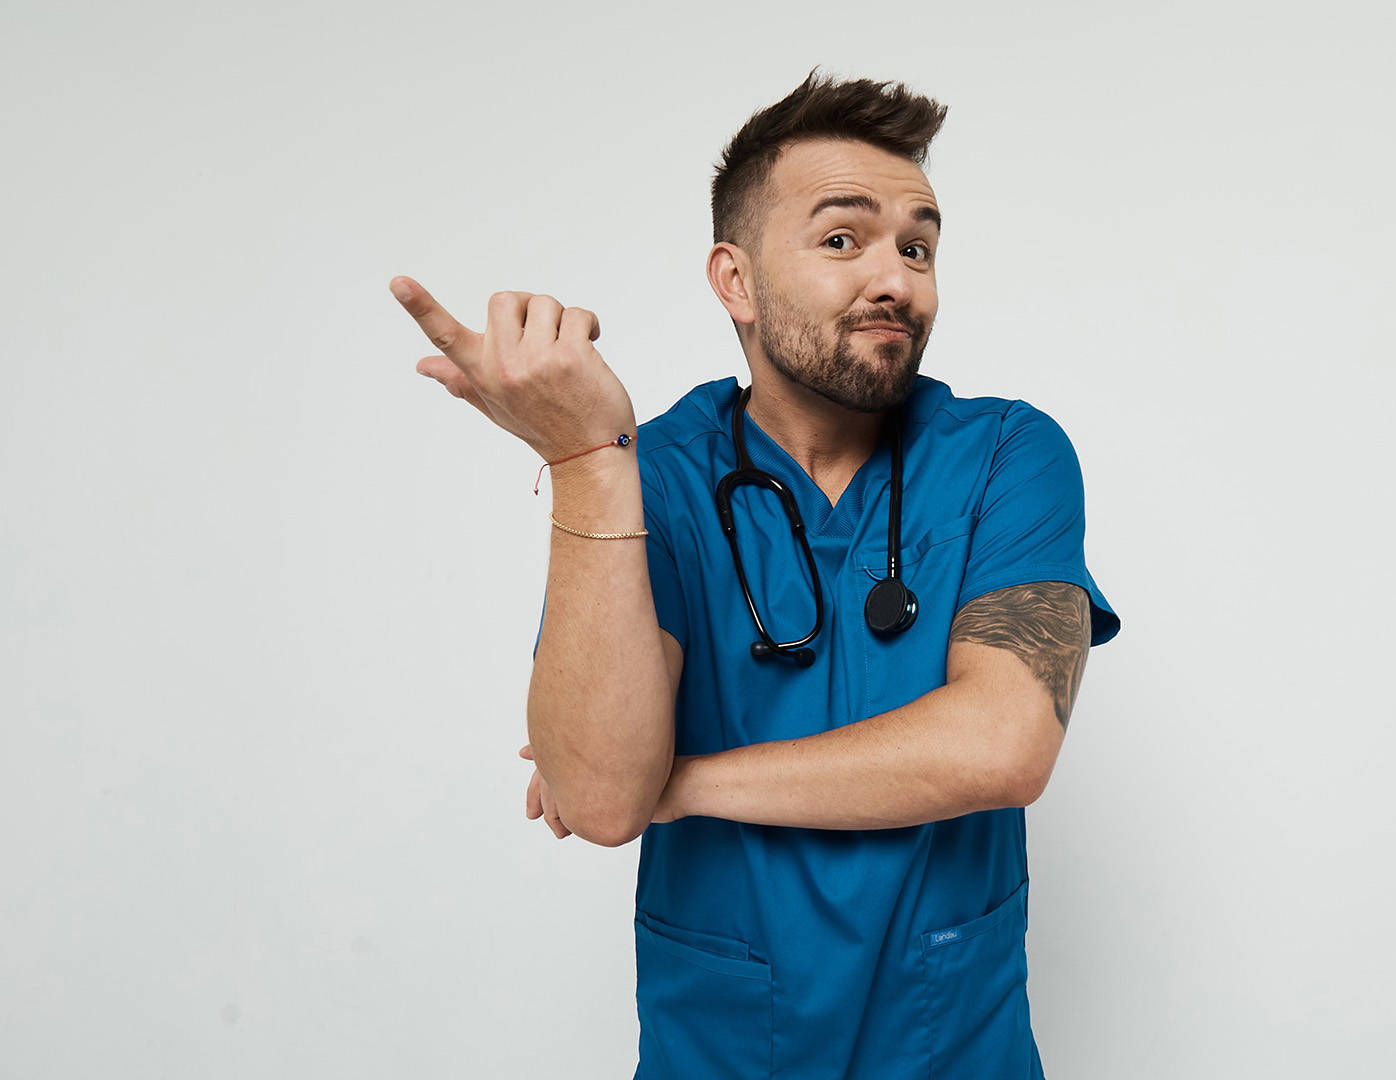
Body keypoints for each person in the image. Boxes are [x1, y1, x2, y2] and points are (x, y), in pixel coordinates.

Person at [393, 67, 1120, 1080]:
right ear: (734, 279)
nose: (896, 279)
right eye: (842, 239)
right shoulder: (659, 478)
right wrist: (583, 462)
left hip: (955, 1050)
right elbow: (602, 800)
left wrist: (683, 785)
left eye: (918, 245)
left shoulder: (1006, 455)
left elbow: (1004, 745)